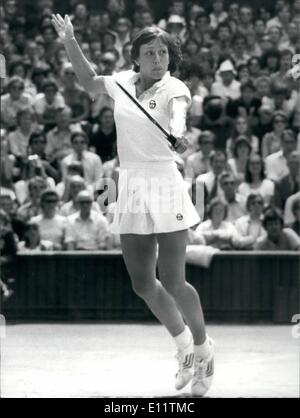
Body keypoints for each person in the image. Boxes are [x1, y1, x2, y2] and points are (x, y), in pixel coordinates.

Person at [52, 15, 214, 396]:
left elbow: (178, 117)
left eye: (163, 53)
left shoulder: (175, 88)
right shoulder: (121, 83)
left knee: (173, 280)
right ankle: (184, 347)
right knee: (143, 283)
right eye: (150, 53)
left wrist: (177, 134)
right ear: (136, 58)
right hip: (130, 182)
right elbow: (89, 82)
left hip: (164, 183)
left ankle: (206, 349)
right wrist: (71, 40)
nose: (158, 59)